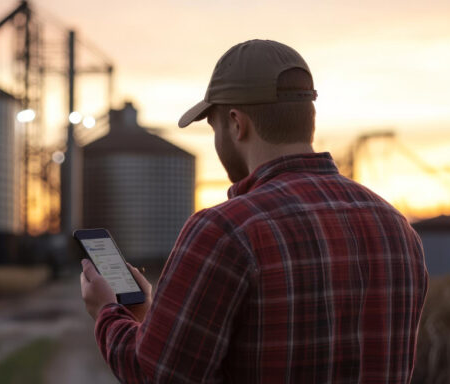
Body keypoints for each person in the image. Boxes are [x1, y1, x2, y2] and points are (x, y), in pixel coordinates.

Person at [79, 39, 428, 383]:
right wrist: (149, 316)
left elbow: (153, 374)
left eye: (214, 127)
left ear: (236, 123)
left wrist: (107, 312)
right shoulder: (397, 229)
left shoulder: (224, 230)